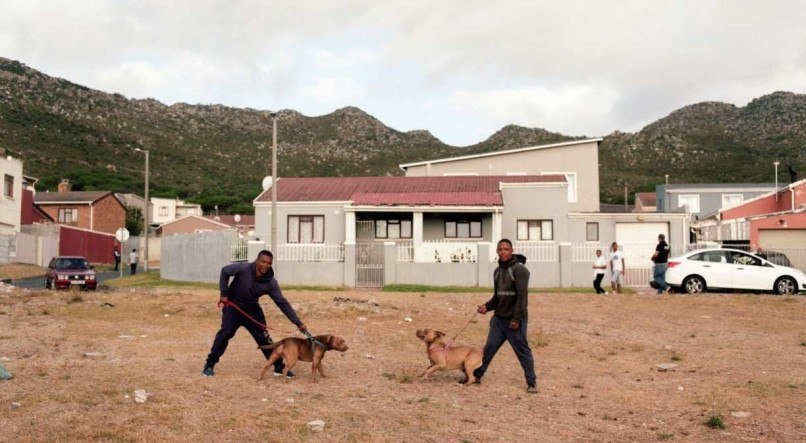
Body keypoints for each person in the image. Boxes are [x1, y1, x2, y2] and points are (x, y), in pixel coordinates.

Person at [203, 250, 307, 377]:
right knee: (225, 333)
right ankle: (210, 364)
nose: (265, 265)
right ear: (257, 261)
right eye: (263, 261)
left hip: (252, 311)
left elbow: (281, 302)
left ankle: (278, 366)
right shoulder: (243, 268)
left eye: (269, 263)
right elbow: (225, 271)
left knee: (264, 338)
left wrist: (297, 322)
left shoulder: (270, 282)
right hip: (233, 307)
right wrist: (224, 294)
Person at [473, 239, 537, 394]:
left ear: (512, 250)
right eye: (500, 249)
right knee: (489, 349)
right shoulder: (497, 271)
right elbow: (498, 296)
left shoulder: (520, 270)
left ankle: (532, 383)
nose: (503, 252)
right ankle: (476, 375)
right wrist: (486, 307)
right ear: (496, 251)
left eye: (506, 249)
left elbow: (522, 297)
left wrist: (516, 319)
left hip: (515, 321)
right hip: (499, 321)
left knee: (523, 352)